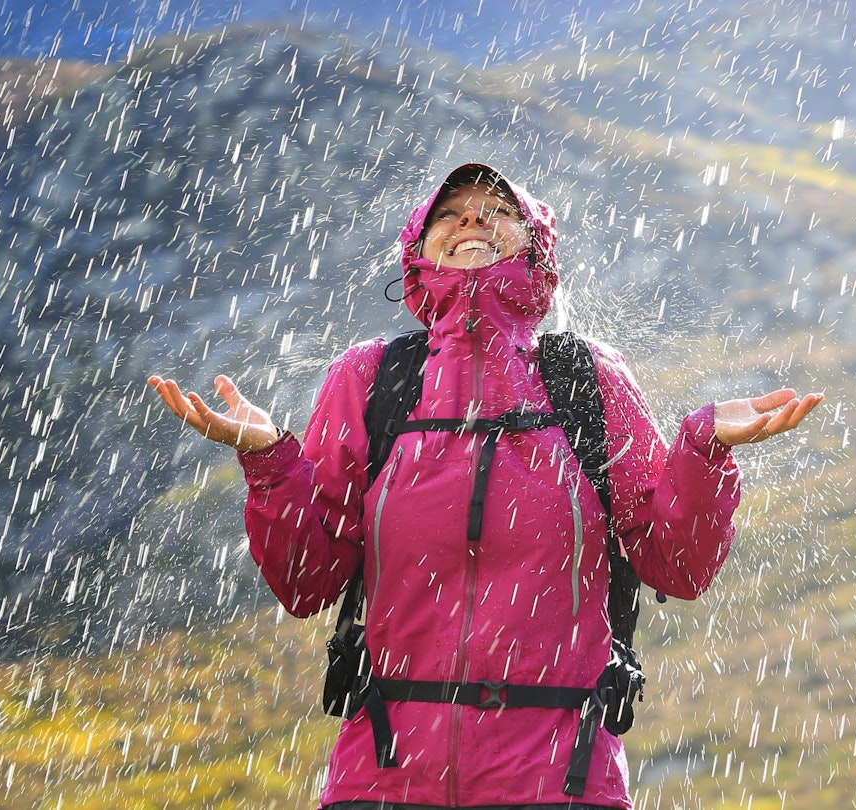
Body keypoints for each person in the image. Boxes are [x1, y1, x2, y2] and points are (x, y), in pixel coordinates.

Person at [149, 164, 822, 809]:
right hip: (380, 784)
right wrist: (268, 460)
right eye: (450, 212)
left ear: (539, 252)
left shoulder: (589, 378)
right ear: (417, 251)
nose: (472, 217)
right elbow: (306, 582)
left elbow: (677, 564)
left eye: (500, 212)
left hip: (562, 784)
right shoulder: (370, 379)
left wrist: (703, 451)